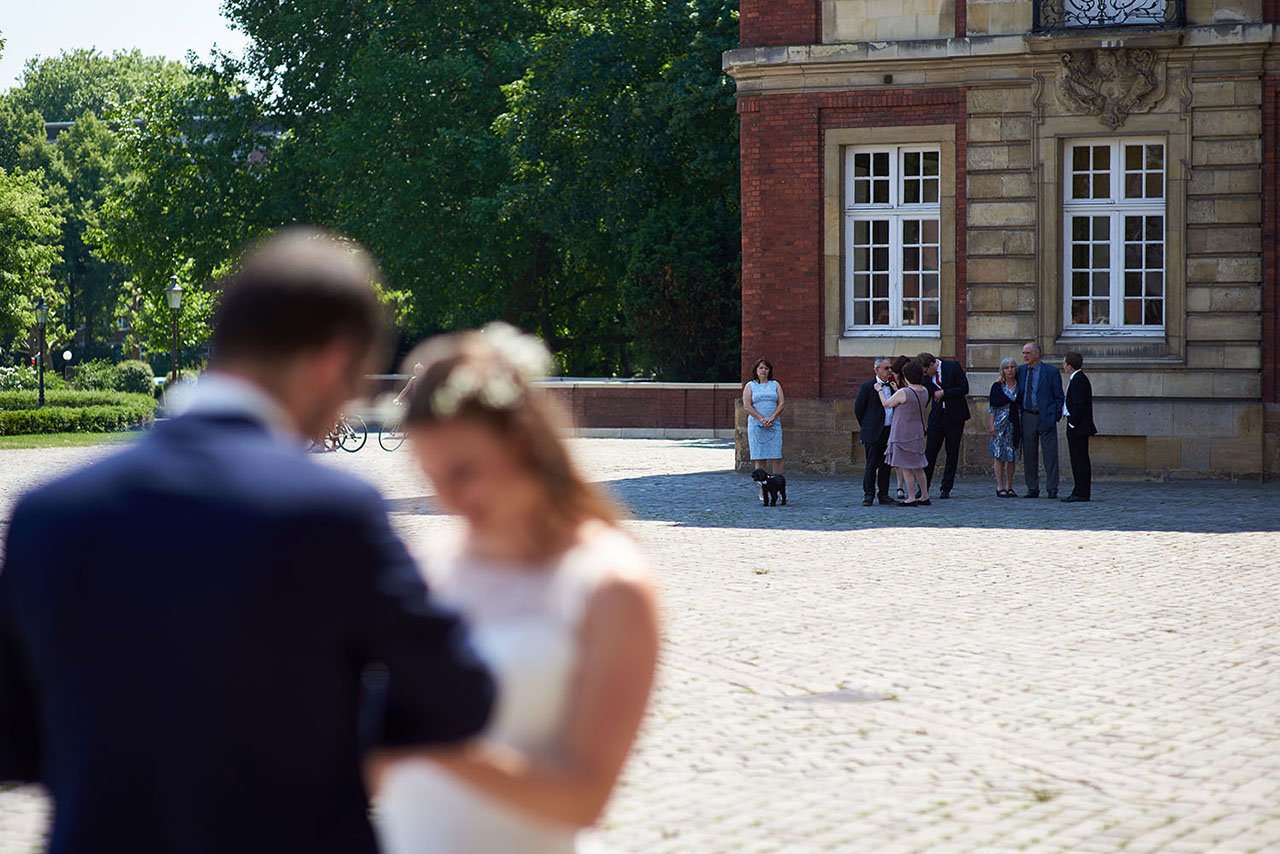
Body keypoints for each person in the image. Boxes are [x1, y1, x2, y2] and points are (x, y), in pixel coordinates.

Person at [0, 228, 495, 854]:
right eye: (354, 389)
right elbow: (458, 699)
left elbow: (15, 742)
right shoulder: (332, 512)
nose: (346, 409)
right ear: (332, 361)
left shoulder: (49, 512)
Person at [372, 324, 660, 854]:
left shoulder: (609, 584)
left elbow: (585, 797)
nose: (450, 497)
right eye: (430, 477)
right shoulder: (430, 565)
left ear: (523, 439)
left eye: (465, 470)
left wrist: (431, 747)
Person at [1015, 341, 1065, 498]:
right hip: (1027, 416)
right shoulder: (1021, 371)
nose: (1024, 356)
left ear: (1036, 354)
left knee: (1050, 454)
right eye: (1023, 353)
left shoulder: (1050, 371)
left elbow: (1059, 396)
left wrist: (1055, 415)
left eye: (1027, 353)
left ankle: (1052, 488)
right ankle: (1032, 488)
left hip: (1046, 416)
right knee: (1029, 454)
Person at [917, 352, 970, 499]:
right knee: (930, 452)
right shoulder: (926, 377)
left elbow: (964, 388)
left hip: (955, 416)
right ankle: (923, 487)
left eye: (927, 370)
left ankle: (946, 487)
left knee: (952, 452)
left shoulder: (952, 367)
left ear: (933, 364)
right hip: (937, 417)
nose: (925, 374)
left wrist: (945, 393)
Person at [879, 360, 931, 507]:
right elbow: (907, 401)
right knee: (918, 466)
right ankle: (925, 496)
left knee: (906, 467)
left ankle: (911, 498)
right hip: (917, 432)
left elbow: (887, 403)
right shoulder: (924, 391)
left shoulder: (904, 392)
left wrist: (879, 391)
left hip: (903, 433)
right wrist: (897, 391)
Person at [854, 357, 898, 506]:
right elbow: (858, 409)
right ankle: (869, 495)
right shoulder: (867, 387)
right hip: (873, 431)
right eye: (886, 368)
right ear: (877, 369)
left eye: (890, 368)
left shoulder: (893, 386)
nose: (890, 371)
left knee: (886, 465)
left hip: (889, 430)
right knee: (871, 465)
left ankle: (884, 494)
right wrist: (867, 426)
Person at [743, 358, 785, 499]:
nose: (763, 370)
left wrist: (771, 418)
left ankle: (778, 489)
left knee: (776, 458)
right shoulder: (750, 385)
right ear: (756, 370)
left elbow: (781, 403)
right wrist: (761, 419)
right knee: (760, 459)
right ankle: (763, 490)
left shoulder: (775, 385)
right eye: (760, 368)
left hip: (774, 425)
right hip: (757, 426)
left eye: (766, 368)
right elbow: (747, 406)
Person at [1062, 351, 1097, 502]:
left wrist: (1072, 422)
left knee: (1079, 459)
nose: (1063, 365)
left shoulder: (1078, 380)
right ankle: (1080, 490)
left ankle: (1081, 492)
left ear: (1069, 365)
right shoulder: (1077, 378)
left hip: (1078, 427)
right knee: (1078, 459)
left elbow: (1078, 404)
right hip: (1077, 425)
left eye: (1064, 363)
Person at [987, 357, 1022, 497]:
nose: (1010, 370)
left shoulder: (1020, 385)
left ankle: (1009, 486)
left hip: (1015, 424)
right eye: (1007, 367)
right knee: (999, 455)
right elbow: (992, 407)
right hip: (1000, 424)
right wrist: (991, 425)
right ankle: (1000, 486)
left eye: (1012, 367)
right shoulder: (998, 386)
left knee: (1012, 456)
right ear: (1003, 370)